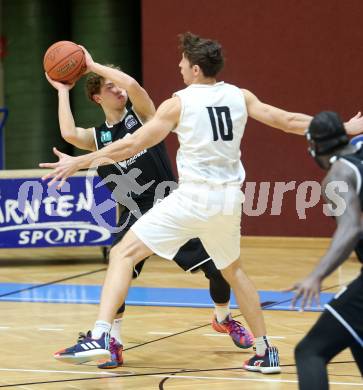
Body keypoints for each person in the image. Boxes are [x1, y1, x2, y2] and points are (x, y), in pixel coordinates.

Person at [40, 32, 363, 374]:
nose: (179, 67)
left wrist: (79, 162)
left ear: (195, 69)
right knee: (234, 271)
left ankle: (103, 336)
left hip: (192, 198)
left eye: (182, 63)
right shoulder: (240, 96)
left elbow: (130, 146)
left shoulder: (178, 103)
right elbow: (288, 121)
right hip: (228, 200)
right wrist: (345, 127)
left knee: (122, 253)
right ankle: (265, 350)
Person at [45, 60, 253, 369]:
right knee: (119, 270)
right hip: (131, 213)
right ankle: (112, 341)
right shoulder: (98, 137)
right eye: (108, 87)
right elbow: (68, 132)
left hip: (171, 205)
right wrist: (63, 90)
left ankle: (223, 317)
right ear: (97, 98)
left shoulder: (142, 115)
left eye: (116, 83)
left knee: (218, 270)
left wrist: (96, 67)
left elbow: (134, 87)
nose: (117, 89)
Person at [286, 111, 363, 389]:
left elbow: (350, 229)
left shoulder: (337, 176)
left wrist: (316, 276)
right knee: (354, 334)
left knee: (310, 351)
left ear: (315, 145)